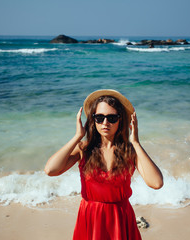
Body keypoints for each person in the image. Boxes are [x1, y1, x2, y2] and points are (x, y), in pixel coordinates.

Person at [44, 89, 164, 240]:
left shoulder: (130, 151)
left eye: (112, 118)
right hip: (90, 218)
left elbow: (157, 183)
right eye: (99, 118)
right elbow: (50, 170)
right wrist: (77, 136)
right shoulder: (84, 148)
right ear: (93, 120)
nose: (105, 123)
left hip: (120, 219)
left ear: (120, 121)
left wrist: (136, 143)